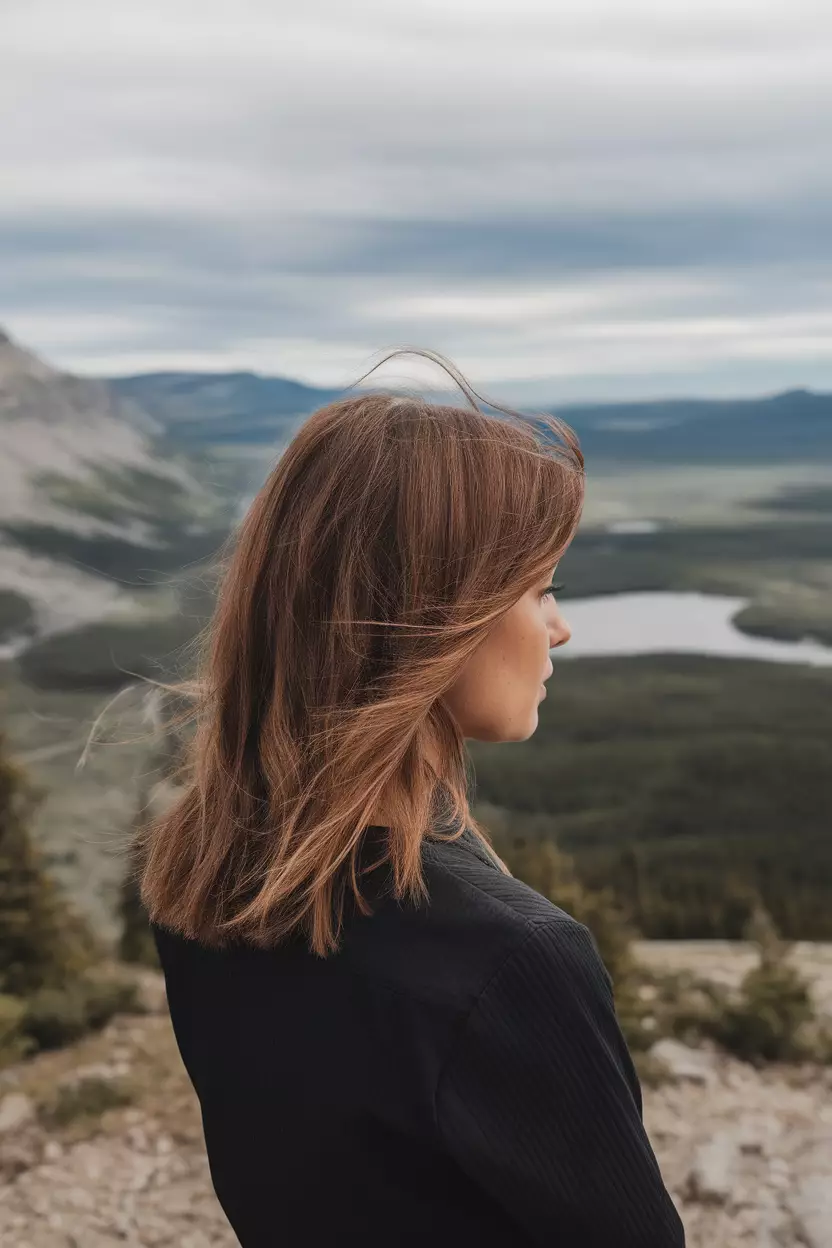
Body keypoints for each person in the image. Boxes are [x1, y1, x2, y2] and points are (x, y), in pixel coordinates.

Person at [135, 349, 685, 1246]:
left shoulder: (202, 874)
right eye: (540, 589)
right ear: (433, 616)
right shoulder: (511, 961)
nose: (560, 625)